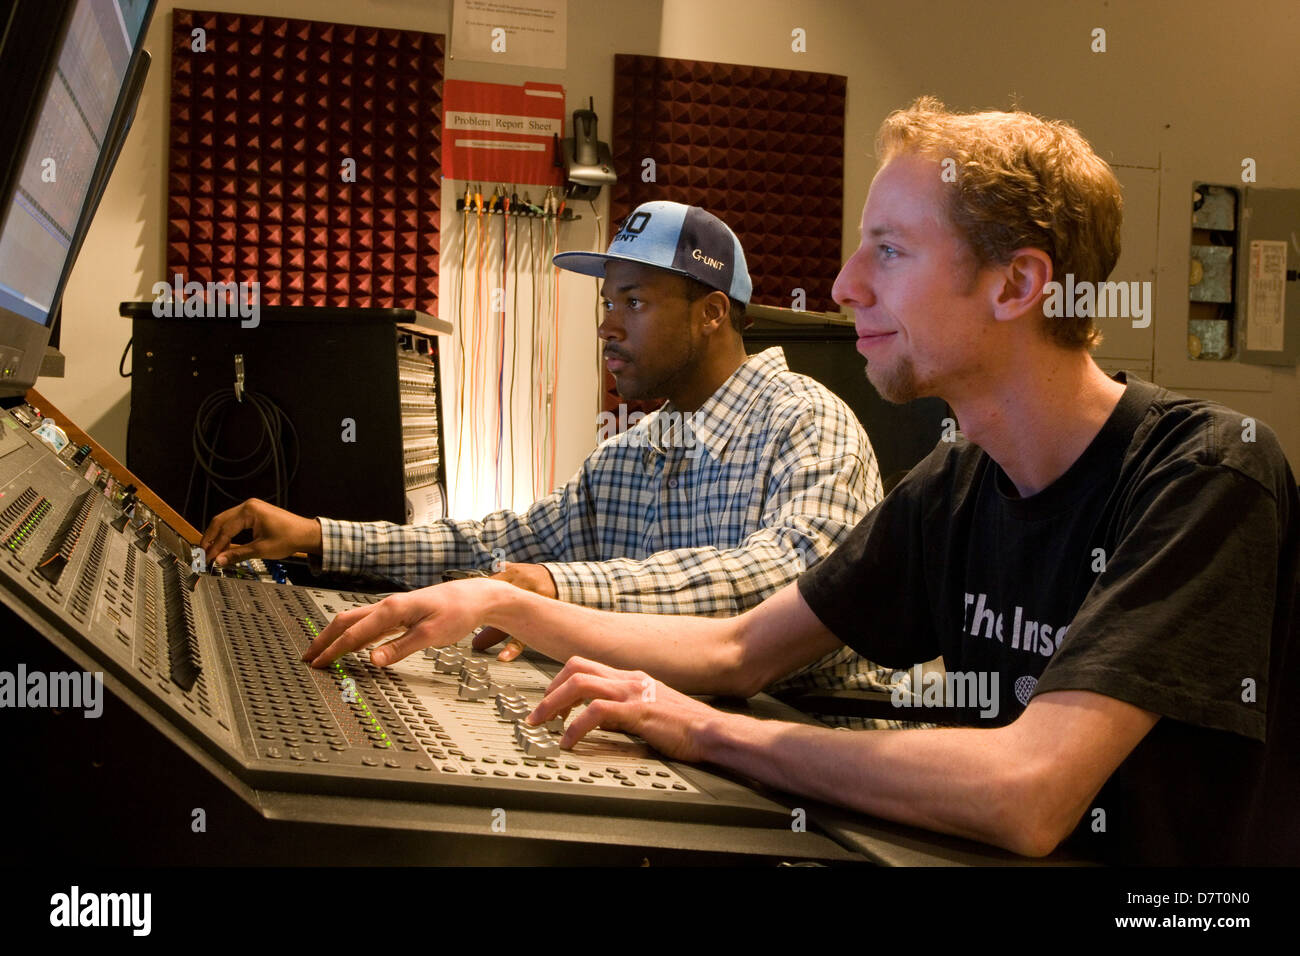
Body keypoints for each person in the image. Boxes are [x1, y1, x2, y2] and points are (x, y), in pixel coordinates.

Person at [297, 98, 1299, 865]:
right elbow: (736, 645)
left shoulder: (1206, 474)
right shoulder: (956, 481)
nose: (843, 285)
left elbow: (1027, 790)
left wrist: (698, 725)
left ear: (1016, 284)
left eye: (890, 251)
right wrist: (492, 593)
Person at [201, 200, 910, 723]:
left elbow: (779, 587)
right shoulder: (632, 453)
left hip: (810, 769)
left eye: (633, 302)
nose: (606, 325)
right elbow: (497, 546)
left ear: (712, 314)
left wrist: (551, 593)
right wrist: (320, 535)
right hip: (677, 734)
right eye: (607, 303)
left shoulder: (810, 424)